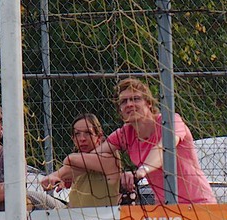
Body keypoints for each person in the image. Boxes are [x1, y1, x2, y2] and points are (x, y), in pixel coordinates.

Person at [84, 78, 216, 205]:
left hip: (197, 203)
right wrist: (69, 168)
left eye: (135, 99)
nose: (129, 104)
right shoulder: (124, 133)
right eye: (124, 101)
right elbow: (94, 156)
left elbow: (164, 148)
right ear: (120, 110)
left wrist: (141, 171)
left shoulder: (170, 121)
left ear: (149, 103)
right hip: (164, 208)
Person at [39, 113, 122, 207]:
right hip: (71, 214)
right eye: (77, 134)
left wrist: (67, 161)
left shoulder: (110, 157)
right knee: (32, 197)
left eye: (88, 133)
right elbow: (68, 170)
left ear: (99, 136)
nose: (82, 139)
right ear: (73, 139)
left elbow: (71, 161)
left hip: (101, 215)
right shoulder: (78, 163)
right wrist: (57, 177)